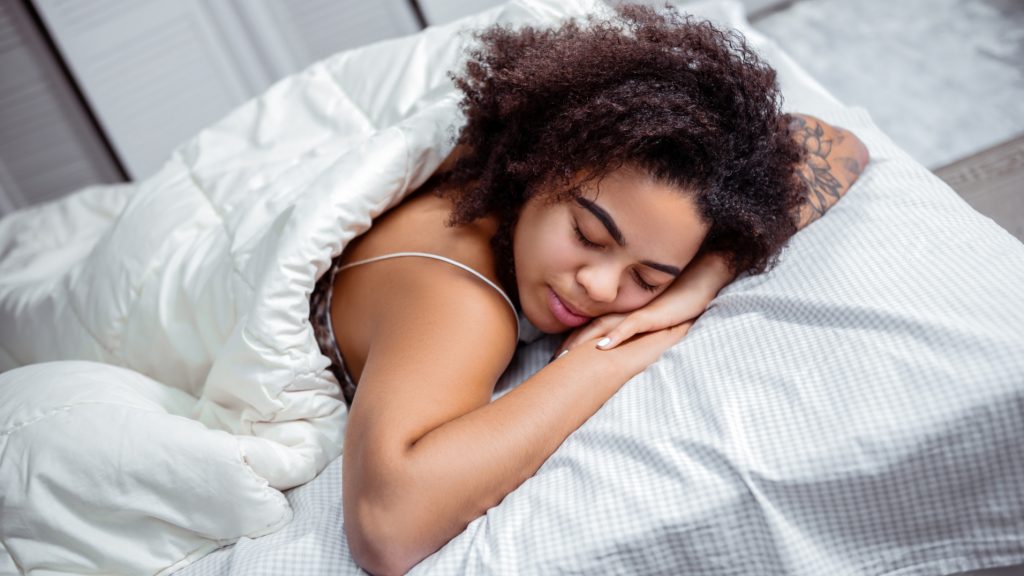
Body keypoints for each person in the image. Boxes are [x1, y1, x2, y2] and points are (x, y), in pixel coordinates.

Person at [312, 5, 869, 574]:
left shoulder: (532, 183)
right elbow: (385, 531)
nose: (600, 288)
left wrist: (700, 280)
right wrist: (613, 357)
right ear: (546, 164)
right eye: (588, 234)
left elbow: (840, 146)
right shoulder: (464, 302)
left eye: (646, 277)